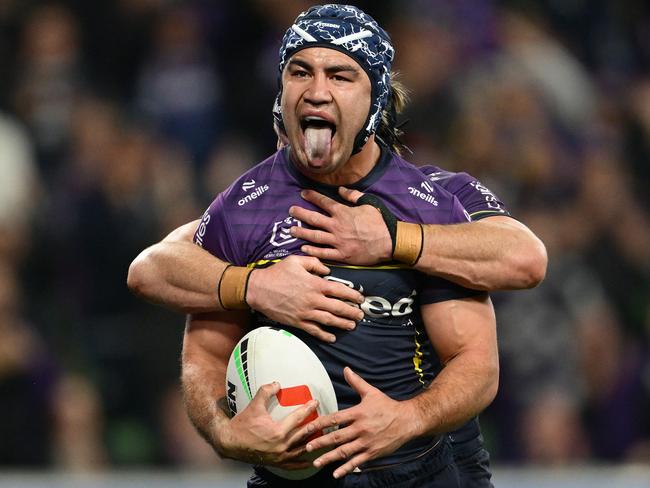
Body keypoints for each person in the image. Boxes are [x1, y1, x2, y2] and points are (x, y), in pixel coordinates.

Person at [127, 7, 546, 488]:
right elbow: (181, 319)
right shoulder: (243, 206)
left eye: (341, 75)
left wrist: (391, 241)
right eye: (300, 72)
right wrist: (253, 291)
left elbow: (488, 339)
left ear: (376, 101)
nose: (317, 90)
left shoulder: (435, 201)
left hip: (417, 471)